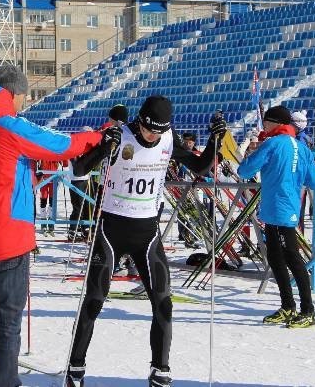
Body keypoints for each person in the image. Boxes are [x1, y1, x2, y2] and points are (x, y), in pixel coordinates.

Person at [0, 64, 103, 387]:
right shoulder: (11, 127)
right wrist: (99, 136)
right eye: (22, 97)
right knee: (8, 323)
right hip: (9, 239)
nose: (22, 103)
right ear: (14, 95)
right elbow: (63, 146)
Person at [66, 96, 226, 387]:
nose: (152, 137)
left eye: (158, 131)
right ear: (139, 121)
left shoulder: (167, 138)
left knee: (163, 303)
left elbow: (200, 166)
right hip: (111, 230)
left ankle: (160, 368)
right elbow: (78, 170)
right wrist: (104, 147)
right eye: (149, 130)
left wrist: (216, 141)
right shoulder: (120, 135)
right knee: (94, 302)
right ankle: (75, 367)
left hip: (148, 233)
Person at [237, 105, 315, 329]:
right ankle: (288, 306)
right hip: (286, 207)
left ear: (275, 123)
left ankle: (308, 310)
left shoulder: (273, 143)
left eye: (266, 122)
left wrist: (255, 151)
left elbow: (245, 170)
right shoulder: (302, 147)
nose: (263, 125)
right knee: (276, 258)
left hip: (278, 209)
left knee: (292, 258)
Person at [35, 159, 60, 236]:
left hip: (54, 179)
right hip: (44, 178)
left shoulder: (56, 149)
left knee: (52, 202)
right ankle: (43, 223)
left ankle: (51, 224)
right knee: (43, 200)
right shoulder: (44, 148)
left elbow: (65, 163)